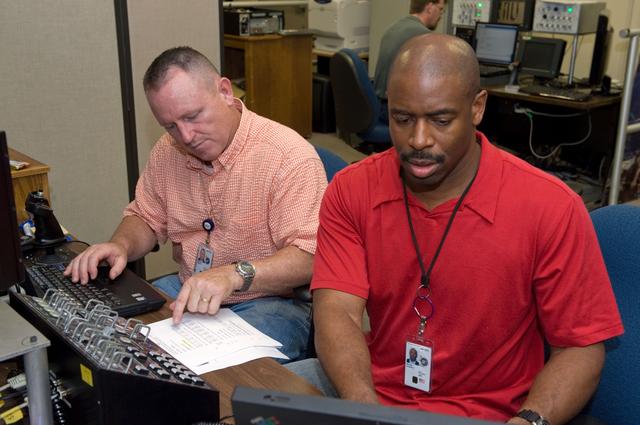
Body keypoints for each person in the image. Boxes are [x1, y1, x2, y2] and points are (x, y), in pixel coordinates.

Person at [287, 34, 624, 425]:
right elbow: (338, 312)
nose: (418, 140)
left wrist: (528, 421)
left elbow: (580, 349)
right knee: (246, 402)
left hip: (495, 414)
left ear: (477, 107)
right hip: (376, 392)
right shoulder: (351, 189)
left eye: (441, 120)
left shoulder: (551, 206)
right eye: (402, 118)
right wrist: (365, 408)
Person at [64, 46, 328, 362]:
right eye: (171, 126)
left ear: (225, 92)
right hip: (189, 288)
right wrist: (120, 244)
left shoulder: (288, 157)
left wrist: (235, 275)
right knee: (105, 336)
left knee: (197, 372)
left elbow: (311, 256)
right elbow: (146, 216)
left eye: (192, 116)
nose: (186, 136)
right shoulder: (168, 151)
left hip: (273, 302)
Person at [373, 0, 446, 119]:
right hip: (394, 112)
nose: (441, 15)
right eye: (440, 9)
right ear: (430, 7)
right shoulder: (424, 37)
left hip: (378, 105)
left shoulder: (393, 28)